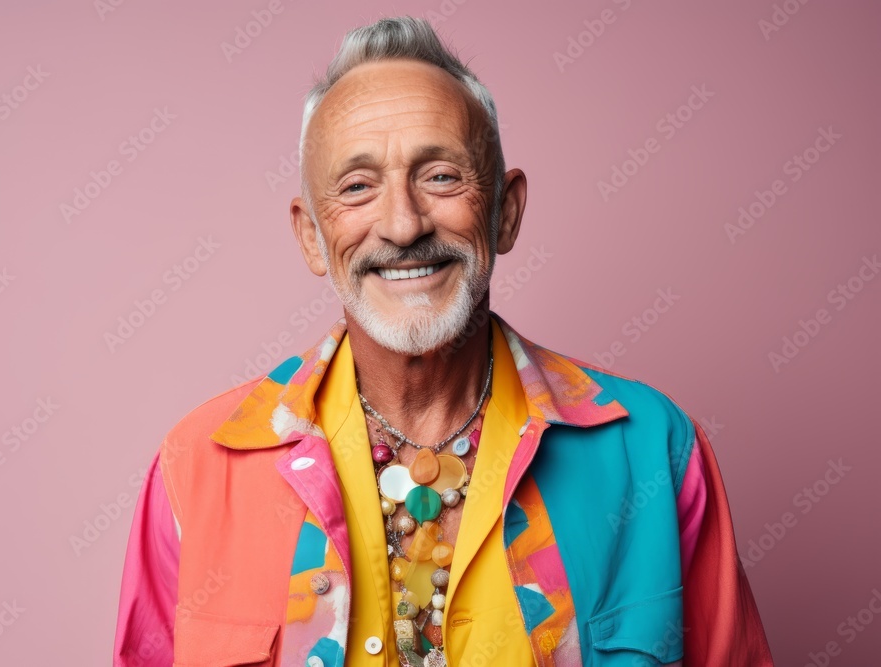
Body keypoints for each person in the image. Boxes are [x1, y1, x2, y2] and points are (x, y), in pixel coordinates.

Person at [114, 16, 773, 667]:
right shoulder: (197, 468)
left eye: (440, 176)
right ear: (312, 235)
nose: (403, 225)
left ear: (505, 211)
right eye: (357, 186)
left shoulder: (653, 452)